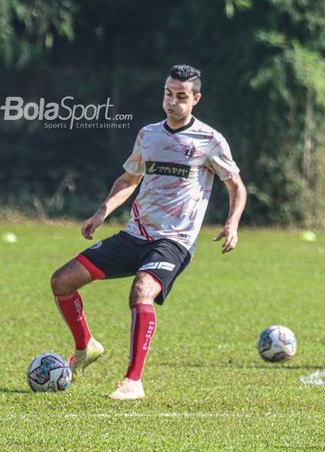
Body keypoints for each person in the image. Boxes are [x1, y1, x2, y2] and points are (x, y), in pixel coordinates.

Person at [50, 64, 247, 400]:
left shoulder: (210, 141)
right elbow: (130, 179)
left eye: (181, 96)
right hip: (135, 235)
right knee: (62, 280)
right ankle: (86, 346)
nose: (172, 102)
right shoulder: (149, 135)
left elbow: (236, 187)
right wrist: (102, 212)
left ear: (195, 99)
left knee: (141, 290)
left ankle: (133, 382)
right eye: (168, 94)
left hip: (174, 241)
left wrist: (232, 223)